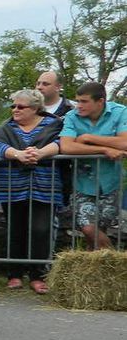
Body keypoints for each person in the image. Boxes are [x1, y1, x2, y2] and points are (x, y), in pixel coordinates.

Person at [0, 89, 63, 293]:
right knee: (15, 230)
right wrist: (17, 154)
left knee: (41, 230)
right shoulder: (7, 127)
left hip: (45, 184)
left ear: (35, 108)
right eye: (13, 105)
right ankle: (14, 274)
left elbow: (61, 144)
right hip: (12, 186)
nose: (15, 109)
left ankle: (38, 275)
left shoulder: (54, 125)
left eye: (20, 106)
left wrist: (40, 153)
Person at [57, 81, 127, 250]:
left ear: (100, 101)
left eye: (84, 101)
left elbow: (124, 143)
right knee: (88, 228)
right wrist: (104, 149)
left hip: (111, 182)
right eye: (77, 101)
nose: (78, 106)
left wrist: (88, 137)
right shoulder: (72, 117)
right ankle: (115, 265)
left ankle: (97, 273)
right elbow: (66, 146)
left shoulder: (120, 112)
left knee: (97, 232)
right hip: (83, 184)